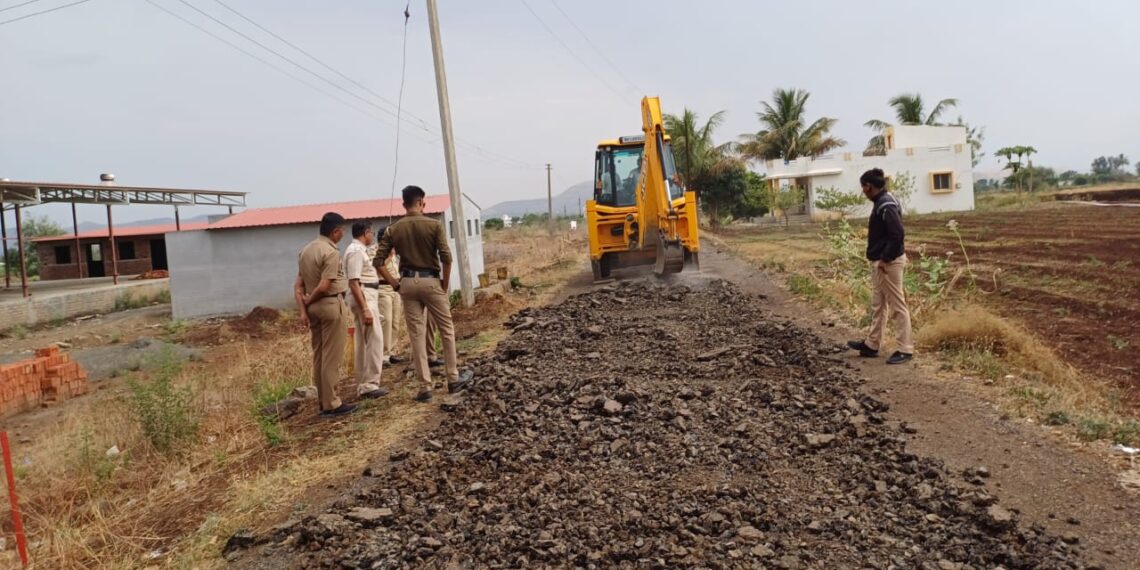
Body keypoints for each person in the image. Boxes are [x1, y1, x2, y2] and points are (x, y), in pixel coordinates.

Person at [375, 185, 473, 402]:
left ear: (403, 204)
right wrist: (444, 285)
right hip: (431, 281)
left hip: (407, 283)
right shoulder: (434, 225)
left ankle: (425, 387)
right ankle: (453, 378)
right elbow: (446, 257)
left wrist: (395, 284)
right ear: (422, 202)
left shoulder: (394, 229)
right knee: (446, 329)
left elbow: (378, 261)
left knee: (416, 335)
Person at [847, 168, 914, 365]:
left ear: (869, 186)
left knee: (897, 306)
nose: (863, 192)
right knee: (879, 304)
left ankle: (905, 349)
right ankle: (872, 344)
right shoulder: (884, 201)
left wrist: (885, 259)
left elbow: (897, 234)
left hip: (888, 264)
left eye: (863, 187)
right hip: (881, 263)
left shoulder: (886, 205)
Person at [294, 212, 356, 417]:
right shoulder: (330, 252)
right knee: (332, 356)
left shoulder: (305, 250)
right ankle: (331, 403)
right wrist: (310, 300)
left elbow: (298, 285)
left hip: (313, 310)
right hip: (329, 305)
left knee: (319, 355)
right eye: (342, 231)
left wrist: (304, 310)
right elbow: (324, 285)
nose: (342, 235)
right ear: (335, 231)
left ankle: (323, 400)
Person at [343, 222, 388, 398]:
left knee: (363, 340)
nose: (372, 235)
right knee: (374, 339)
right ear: (366, 233)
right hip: (364, 296)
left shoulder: (359, 250)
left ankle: (363, 382)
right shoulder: (355, 251)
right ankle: (370, 383)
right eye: (372, 232)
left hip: (367, 295)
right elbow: (354, 282)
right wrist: (365, 309)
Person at [371, 235, 406, 365]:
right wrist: (388, 256)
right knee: (386, 320)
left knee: (395, 321)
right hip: (383, 287)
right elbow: (375, 268)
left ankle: (392, 351)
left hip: (395, 288)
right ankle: (384, 354)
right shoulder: (375, 251)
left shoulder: (393, 251)